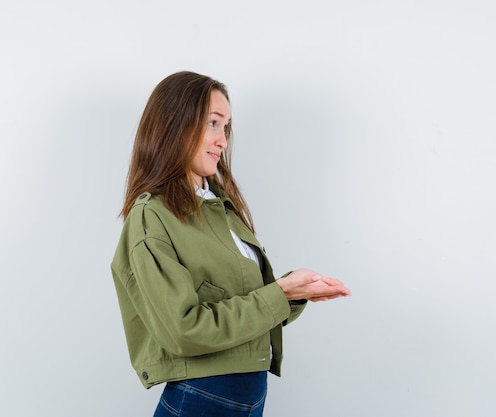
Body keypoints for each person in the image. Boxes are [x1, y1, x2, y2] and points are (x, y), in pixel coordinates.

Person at [110, 71, 351, 417]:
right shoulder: (152, 216)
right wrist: (278, 294)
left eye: (226, 127)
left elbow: (243, 307)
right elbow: (184, 329)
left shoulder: (217, 206)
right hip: (202, 396)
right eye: (212, 123)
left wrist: (293, 293)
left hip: (243, 396)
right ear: (174, 125)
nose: (222, 140)